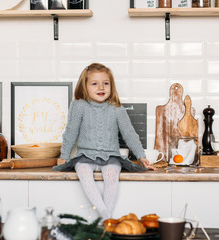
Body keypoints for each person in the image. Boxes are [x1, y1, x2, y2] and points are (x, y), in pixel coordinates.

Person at [53, 63, 156, 220]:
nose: (101, 87)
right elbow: (71, 132)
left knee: (112, 174)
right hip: (85, 155)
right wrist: (64, 156)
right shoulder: (79, 105)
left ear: (111, 86)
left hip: (111, 156)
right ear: (84, 86)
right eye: (94, 83)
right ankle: (106, 216)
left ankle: (104, 220)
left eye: (105, 83)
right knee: (82, 170)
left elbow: (129, 133)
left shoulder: (117, 108)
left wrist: (141, 156)